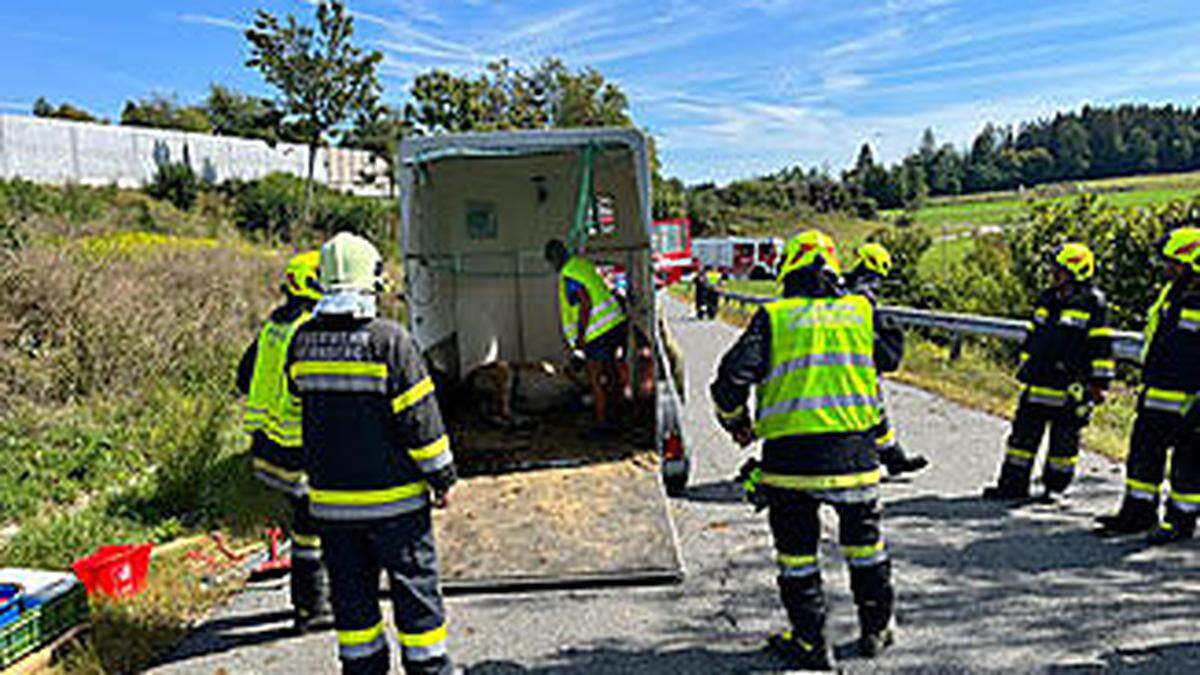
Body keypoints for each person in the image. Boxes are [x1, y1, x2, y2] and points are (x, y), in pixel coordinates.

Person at [711, 230, 902, 670]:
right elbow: (891, 357)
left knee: (797, 558)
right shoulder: (861, 310)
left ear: (788, 269)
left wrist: (737, 424)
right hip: (856, 457)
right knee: (866, 547)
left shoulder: (774, 316)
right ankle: (876, 629)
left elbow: (728, 381)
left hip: (790, 465)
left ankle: (810, 643)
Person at [288, 233, 456, 675]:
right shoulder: (390, 342)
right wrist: (442, 478)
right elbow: (422, 425)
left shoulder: (301, 343)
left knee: (352, 605)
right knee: (415, 596)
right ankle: (429, 672)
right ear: (371, 283)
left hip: (332, 510)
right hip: (397, 508)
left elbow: (297, 411)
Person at [236, 250, 332, 634]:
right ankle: (312, 609)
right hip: (300, 454)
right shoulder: (309, 330)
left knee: (304, 528)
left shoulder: (274, 327)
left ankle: (311, 603)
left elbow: (245, 379)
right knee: (314, 533)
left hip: (270, 451)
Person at [982, 242, 1115, 504]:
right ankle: (1012, 485)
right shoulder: (1047, 298)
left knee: (1063, 443)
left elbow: (1101, 345)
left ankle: (1055, 487)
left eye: (1060, 270)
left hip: (1070, 386)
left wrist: (1099, 383)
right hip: (1038, 380)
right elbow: (1034, 336)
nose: (1054, 275)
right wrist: (1025, 365)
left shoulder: (1093, 303)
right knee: (1021, 439)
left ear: (1077, 271)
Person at [1096, 227, 1200, 543]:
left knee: (1188, 466)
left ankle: (1179, 522)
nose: (1166, 268)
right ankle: (1137, 515)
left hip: (1190, 402)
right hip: (1156, 394)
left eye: (1172, 262)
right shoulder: (1171, 295)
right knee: (1142, 457)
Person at [844, 243, 929, 478]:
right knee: (869, 409)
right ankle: (884, 457)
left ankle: (893, 457)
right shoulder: (862, 289)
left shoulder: (845, 284)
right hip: (856, 358)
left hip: (850, 355)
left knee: (875, 410)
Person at [544, 239, 631, 435]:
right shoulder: (581, 264)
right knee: (611, 372)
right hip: (615, 323)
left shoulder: (568, 275)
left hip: (597, 332)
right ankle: (620, 415)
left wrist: (581, 338)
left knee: (595, 378)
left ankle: (602, 424)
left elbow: (585, 302)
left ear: (553, 260)